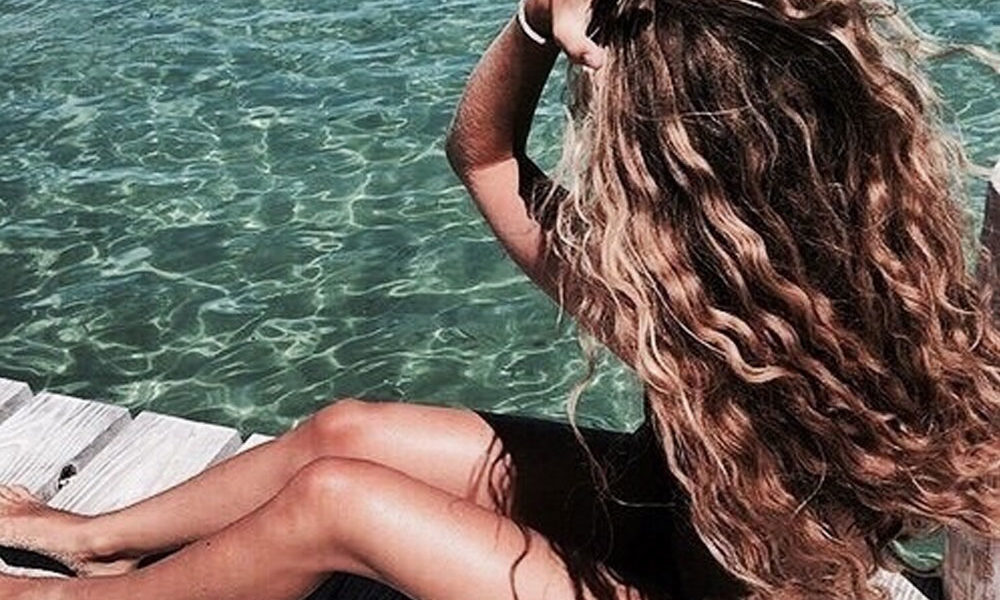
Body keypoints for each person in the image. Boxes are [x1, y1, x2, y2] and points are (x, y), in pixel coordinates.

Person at [0, 0, 998, 599]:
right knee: (349, 431)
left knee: (336, 503)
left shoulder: (690, 317)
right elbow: (482, 155)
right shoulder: (827, 291)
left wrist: (534, 28)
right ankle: (90, 538)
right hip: (669, 530)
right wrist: (539, 16)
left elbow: (482, 155)